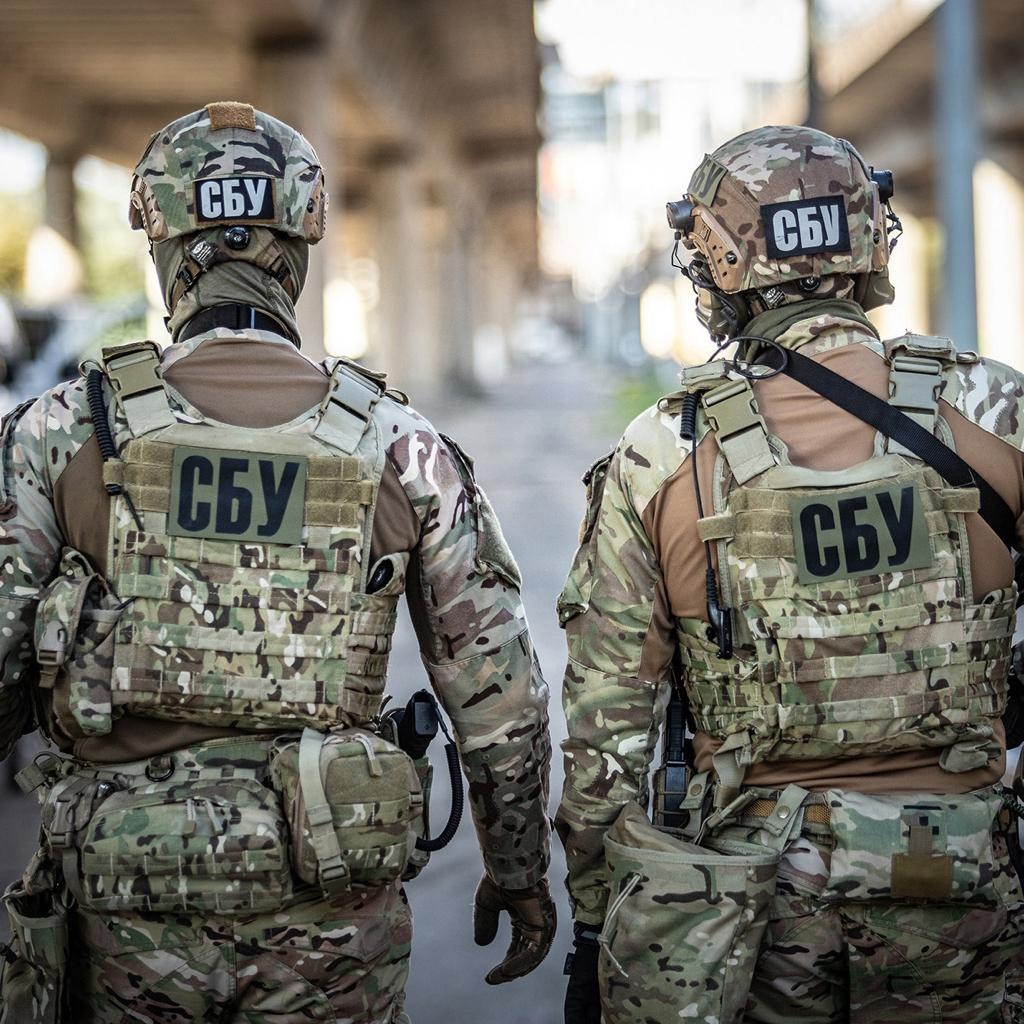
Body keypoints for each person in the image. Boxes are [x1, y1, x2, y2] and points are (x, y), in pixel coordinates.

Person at [0, 101, 554, 1024]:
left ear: (165, 245)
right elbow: (501, 700)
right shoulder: (401, 444)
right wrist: (519, 869)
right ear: (297, 247)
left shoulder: (59, 432)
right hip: (333, 909)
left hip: (123, 909)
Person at [557, 124, 1024, 1024]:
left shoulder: (666, 451)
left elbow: (605, 728)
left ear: (720, 263)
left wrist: (593, 915)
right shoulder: (995, 410)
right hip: (965, 886)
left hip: (757, 905)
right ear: (869, 241)